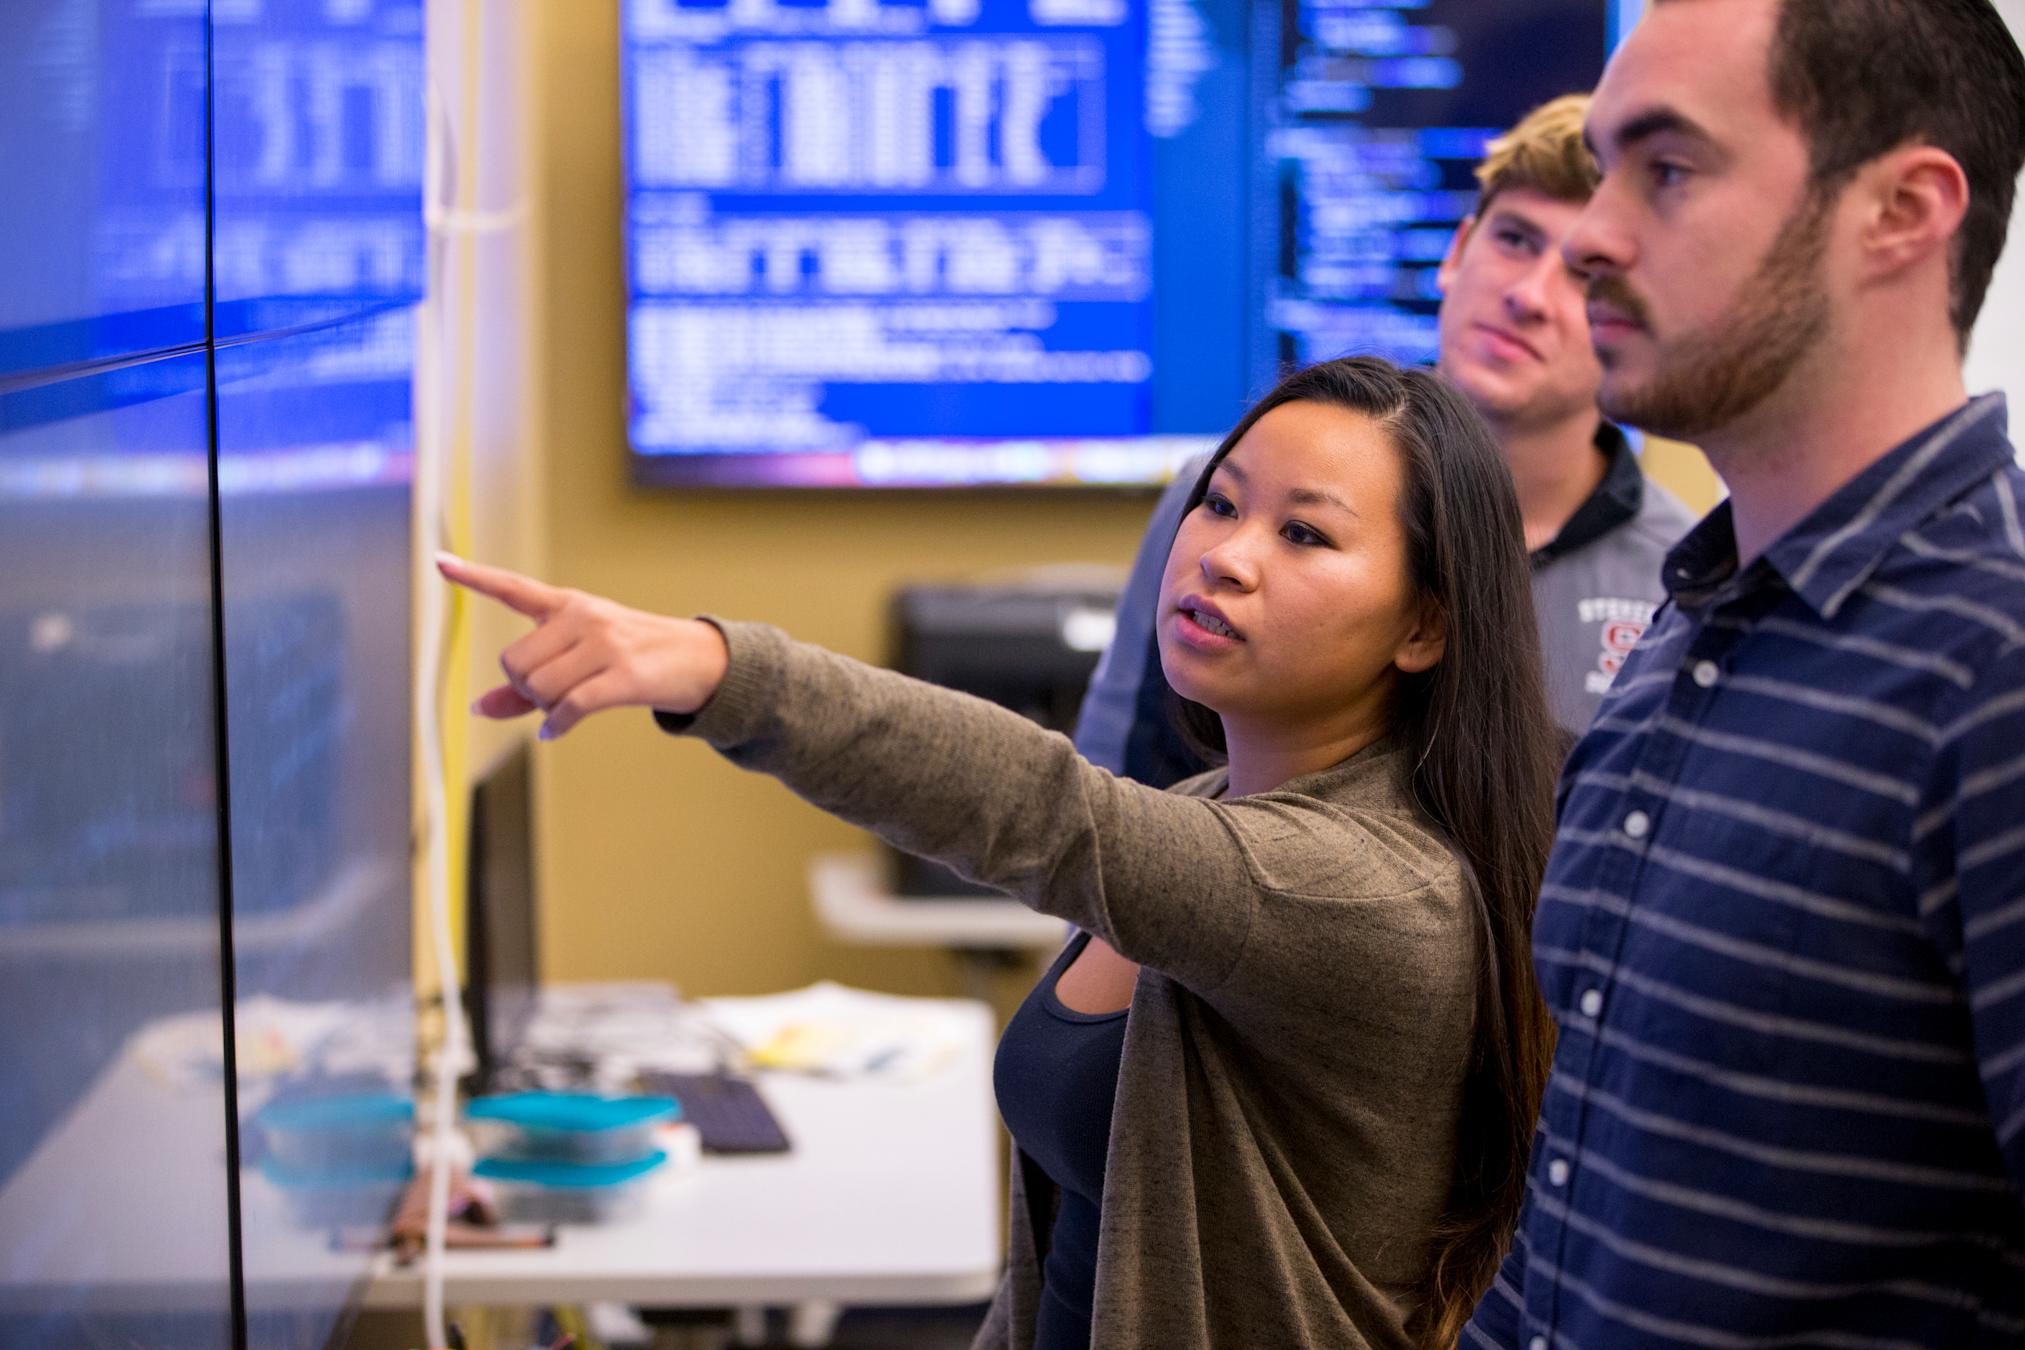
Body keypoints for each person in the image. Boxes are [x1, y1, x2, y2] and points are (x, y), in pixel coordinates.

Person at [442, 357, 1564, 1348]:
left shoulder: (1367, 891)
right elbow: (1065, 1257)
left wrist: (719, 670)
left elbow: (1041, 806)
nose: (1225, 555)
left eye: (1305, 533)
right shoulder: (1215, 805)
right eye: (1219, 504)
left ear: (1425, 626)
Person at [1465, 1, 2025, 1345]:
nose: (1591, 236)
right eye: (1603, 167)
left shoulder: (1991, 682)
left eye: (1666, 169)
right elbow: (1580, 1239)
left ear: (1900, 210)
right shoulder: (1692, 625)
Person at [1075, 95, 1696, 788]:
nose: (1528, 294)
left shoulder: (1683, 577)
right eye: (1514, 239)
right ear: (1456, 252)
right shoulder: (1223, 497)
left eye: (1585, 273)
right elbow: (1114, 816)